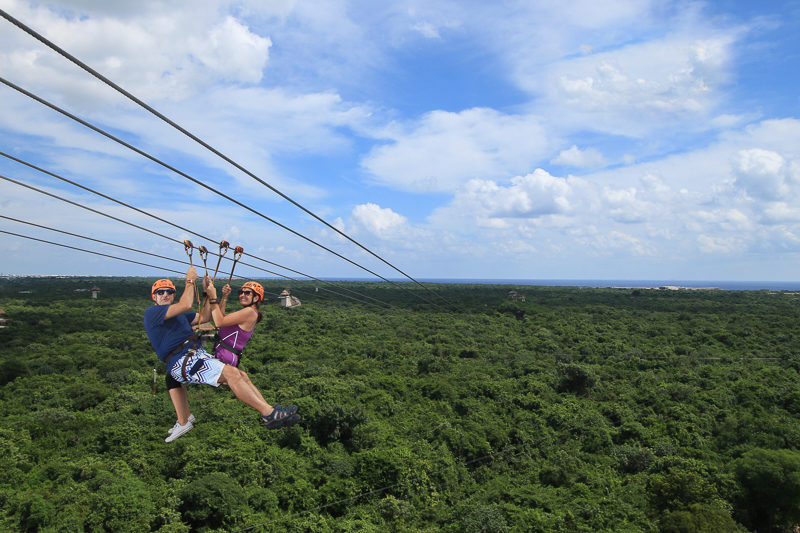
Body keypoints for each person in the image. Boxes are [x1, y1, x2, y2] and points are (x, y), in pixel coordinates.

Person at [144, 267, 299, 442]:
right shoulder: (152, 313)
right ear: (154, 297)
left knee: (240, 374)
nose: (165, 295)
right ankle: (269, 414)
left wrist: (206, 293)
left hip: (193, 356)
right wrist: (190, 281)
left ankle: (268, 410)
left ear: (173, 295)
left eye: (169, 292)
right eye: (160, 292)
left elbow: (205, 317)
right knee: (232, 374)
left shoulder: (180, 315)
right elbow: (186, 304)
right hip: (183, 360)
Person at [204, 279, 264, 367]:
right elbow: (221, 318)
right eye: (241, 292)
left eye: (247, 293)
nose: (242, 295)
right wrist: (224, 297)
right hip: (225, 354)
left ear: (256, 298)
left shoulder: (249, 312)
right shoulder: (250, 312)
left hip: (225, 356)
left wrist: (213, 297)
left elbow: (219, 322)